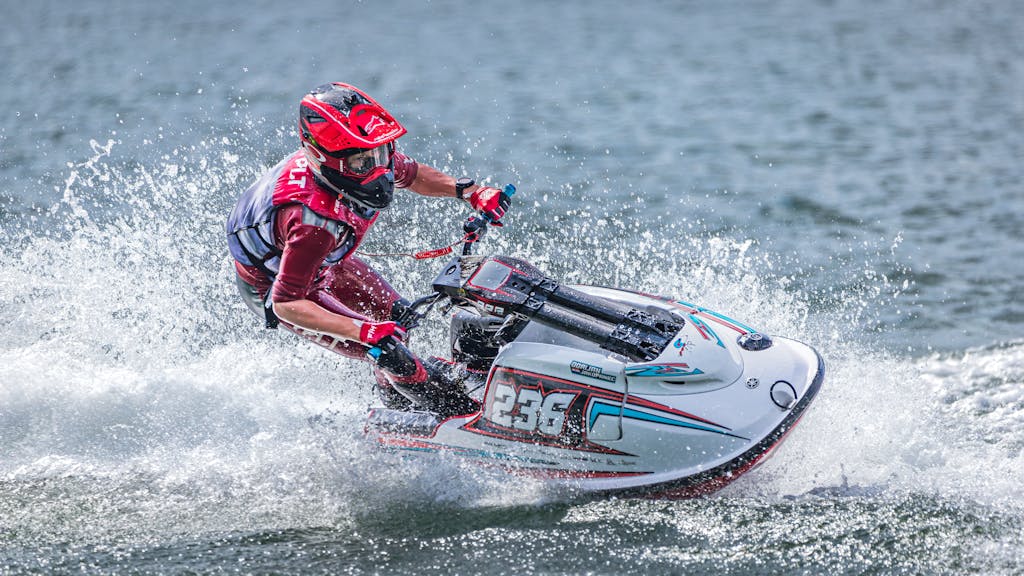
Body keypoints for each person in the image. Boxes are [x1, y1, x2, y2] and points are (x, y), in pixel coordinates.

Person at [226, 82, 511, 417]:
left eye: (382, 154)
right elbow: (286, 304)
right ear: (325, 160)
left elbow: (413, 174)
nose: (380, 172)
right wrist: (365, 331)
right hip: (277, 288)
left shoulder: (363, 157)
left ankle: (399, 403)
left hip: (326, 263)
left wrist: (471, 193)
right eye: (365, 163)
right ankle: (460, 418)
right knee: (387, 347)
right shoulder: (312, 224)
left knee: (400, 318)